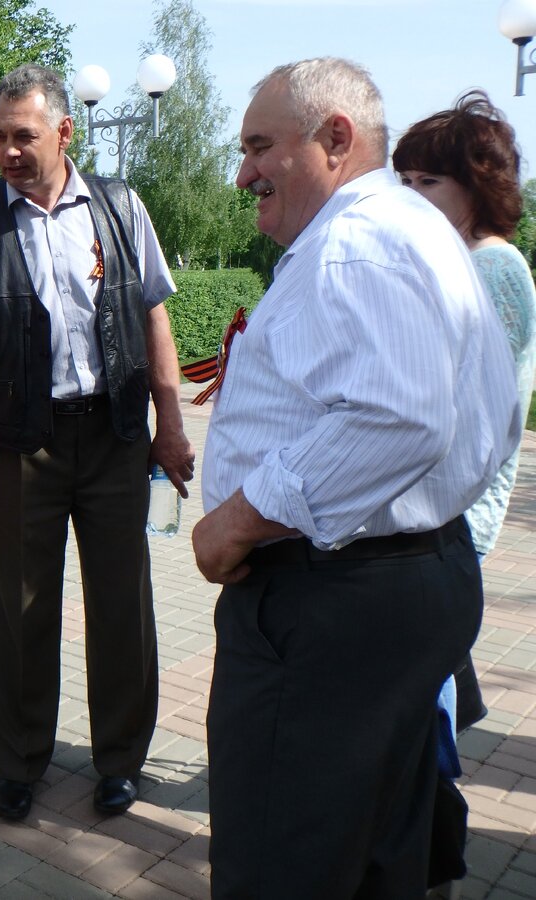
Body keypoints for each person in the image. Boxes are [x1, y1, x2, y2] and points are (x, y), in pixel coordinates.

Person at [195, 58, 522, 899]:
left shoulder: (356, 241)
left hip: (331, 607)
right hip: (402, 585)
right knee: (379, 861)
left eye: (261, 147)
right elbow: (471, 417)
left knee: (282, 867)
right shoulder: (412, 232)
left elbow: (401, 417)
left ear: (335, 138)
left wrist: (238, 519)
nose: (243, 173)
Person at [0, 63, 193, 821]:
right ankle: (22, 761)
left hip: (113, 438)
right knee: (20, 609)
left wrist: (171, 425)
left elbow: (154, 316)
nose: (6, 150)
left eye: (22, 136)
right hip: (18, 446)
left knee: (122, 605)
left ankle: (120, 760)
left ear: (65, 132)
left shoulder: (121, 207)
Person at [394, 91, 536, 560]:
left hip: (453, 522)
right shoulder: (450, 257)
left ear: (477, 186)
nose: (410, 195)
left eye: (428, 181)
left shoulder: (493, 268)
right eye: (405, 180)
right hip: (426, 512)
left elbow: (463, 405)